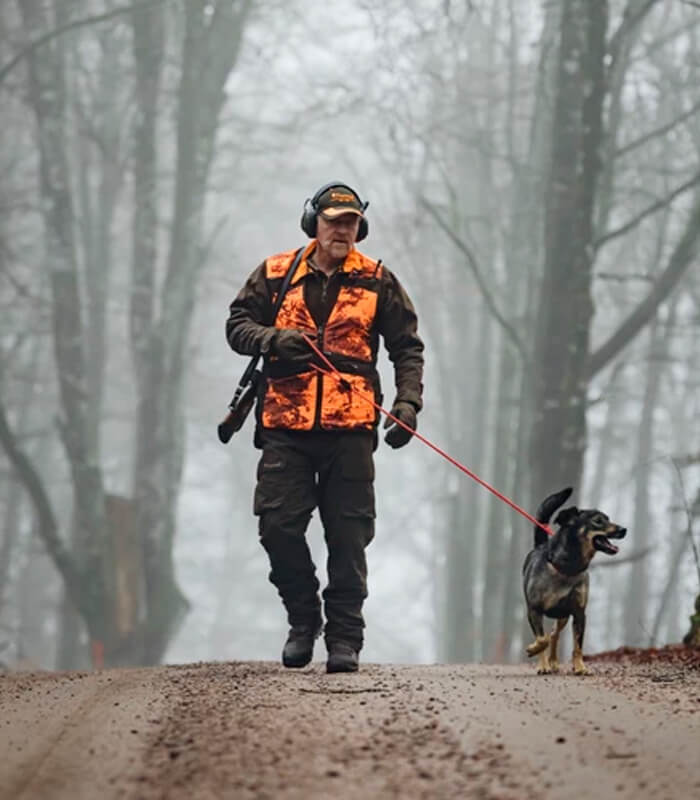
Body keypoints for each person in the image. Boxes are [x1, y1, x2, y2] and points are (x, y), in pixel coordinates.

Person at [226, 182, 424, 673]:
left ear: (361, 227)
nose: (342, 229)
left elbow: (407, 348)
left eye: (351, 221)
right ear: (313, 221)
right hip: (284, 427)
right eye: (334, 219)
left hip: (352, 429)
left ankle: (345, 639)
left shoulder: (379, 280)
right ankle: (302, 618)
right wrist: (272, 339)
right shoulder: (275, 274)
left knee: (349, 536)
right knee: (278, 528)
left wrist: (407, 404)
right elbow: (236, 326)